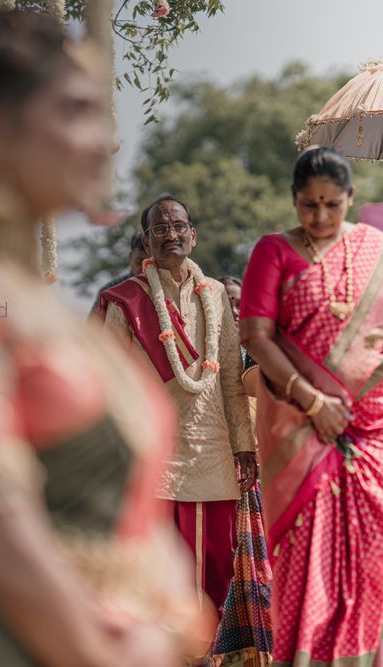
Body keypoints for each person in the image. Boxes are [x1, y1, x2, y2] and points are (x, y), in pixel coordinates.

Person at [0, 12, 206, 666]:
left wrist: (173, 628)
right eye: (77, 111)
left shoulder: (40, 303)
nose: (103, 142)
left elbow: (137, 525)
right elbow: (3, 541)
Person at [239, 146, 383, 667]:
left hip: (374, 423)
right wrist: (313, 400)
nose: (319, 218)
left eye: (331, 205)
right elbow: (256, 335)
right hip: (302, 428)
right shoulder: (273, 251)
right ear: (294, 201)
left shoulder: (379, 252)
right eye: (308, 206)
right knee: (311, 555)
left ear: (351, 199)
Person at [99, 194, 257, 626]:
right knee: (160, 572)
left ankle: (207, 655)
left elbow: (228, 377)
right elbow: (109, 385)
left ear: (193, 234)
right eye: (160, 229)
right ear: (147, 242)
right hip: (155, 455)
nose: (171, 234)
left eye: (178, 226)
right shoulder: (125, 301)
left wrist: (245, 446)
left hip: (214, 454)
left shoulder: (216, 297)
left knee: (218, 568)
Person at [89, 226, 147, 314]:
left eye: (149, 264)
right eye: (139, 262)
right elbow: (92, 326)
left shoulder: (164, 289)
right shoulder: (109, 292)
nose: (143, 269)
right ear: (130, 257)